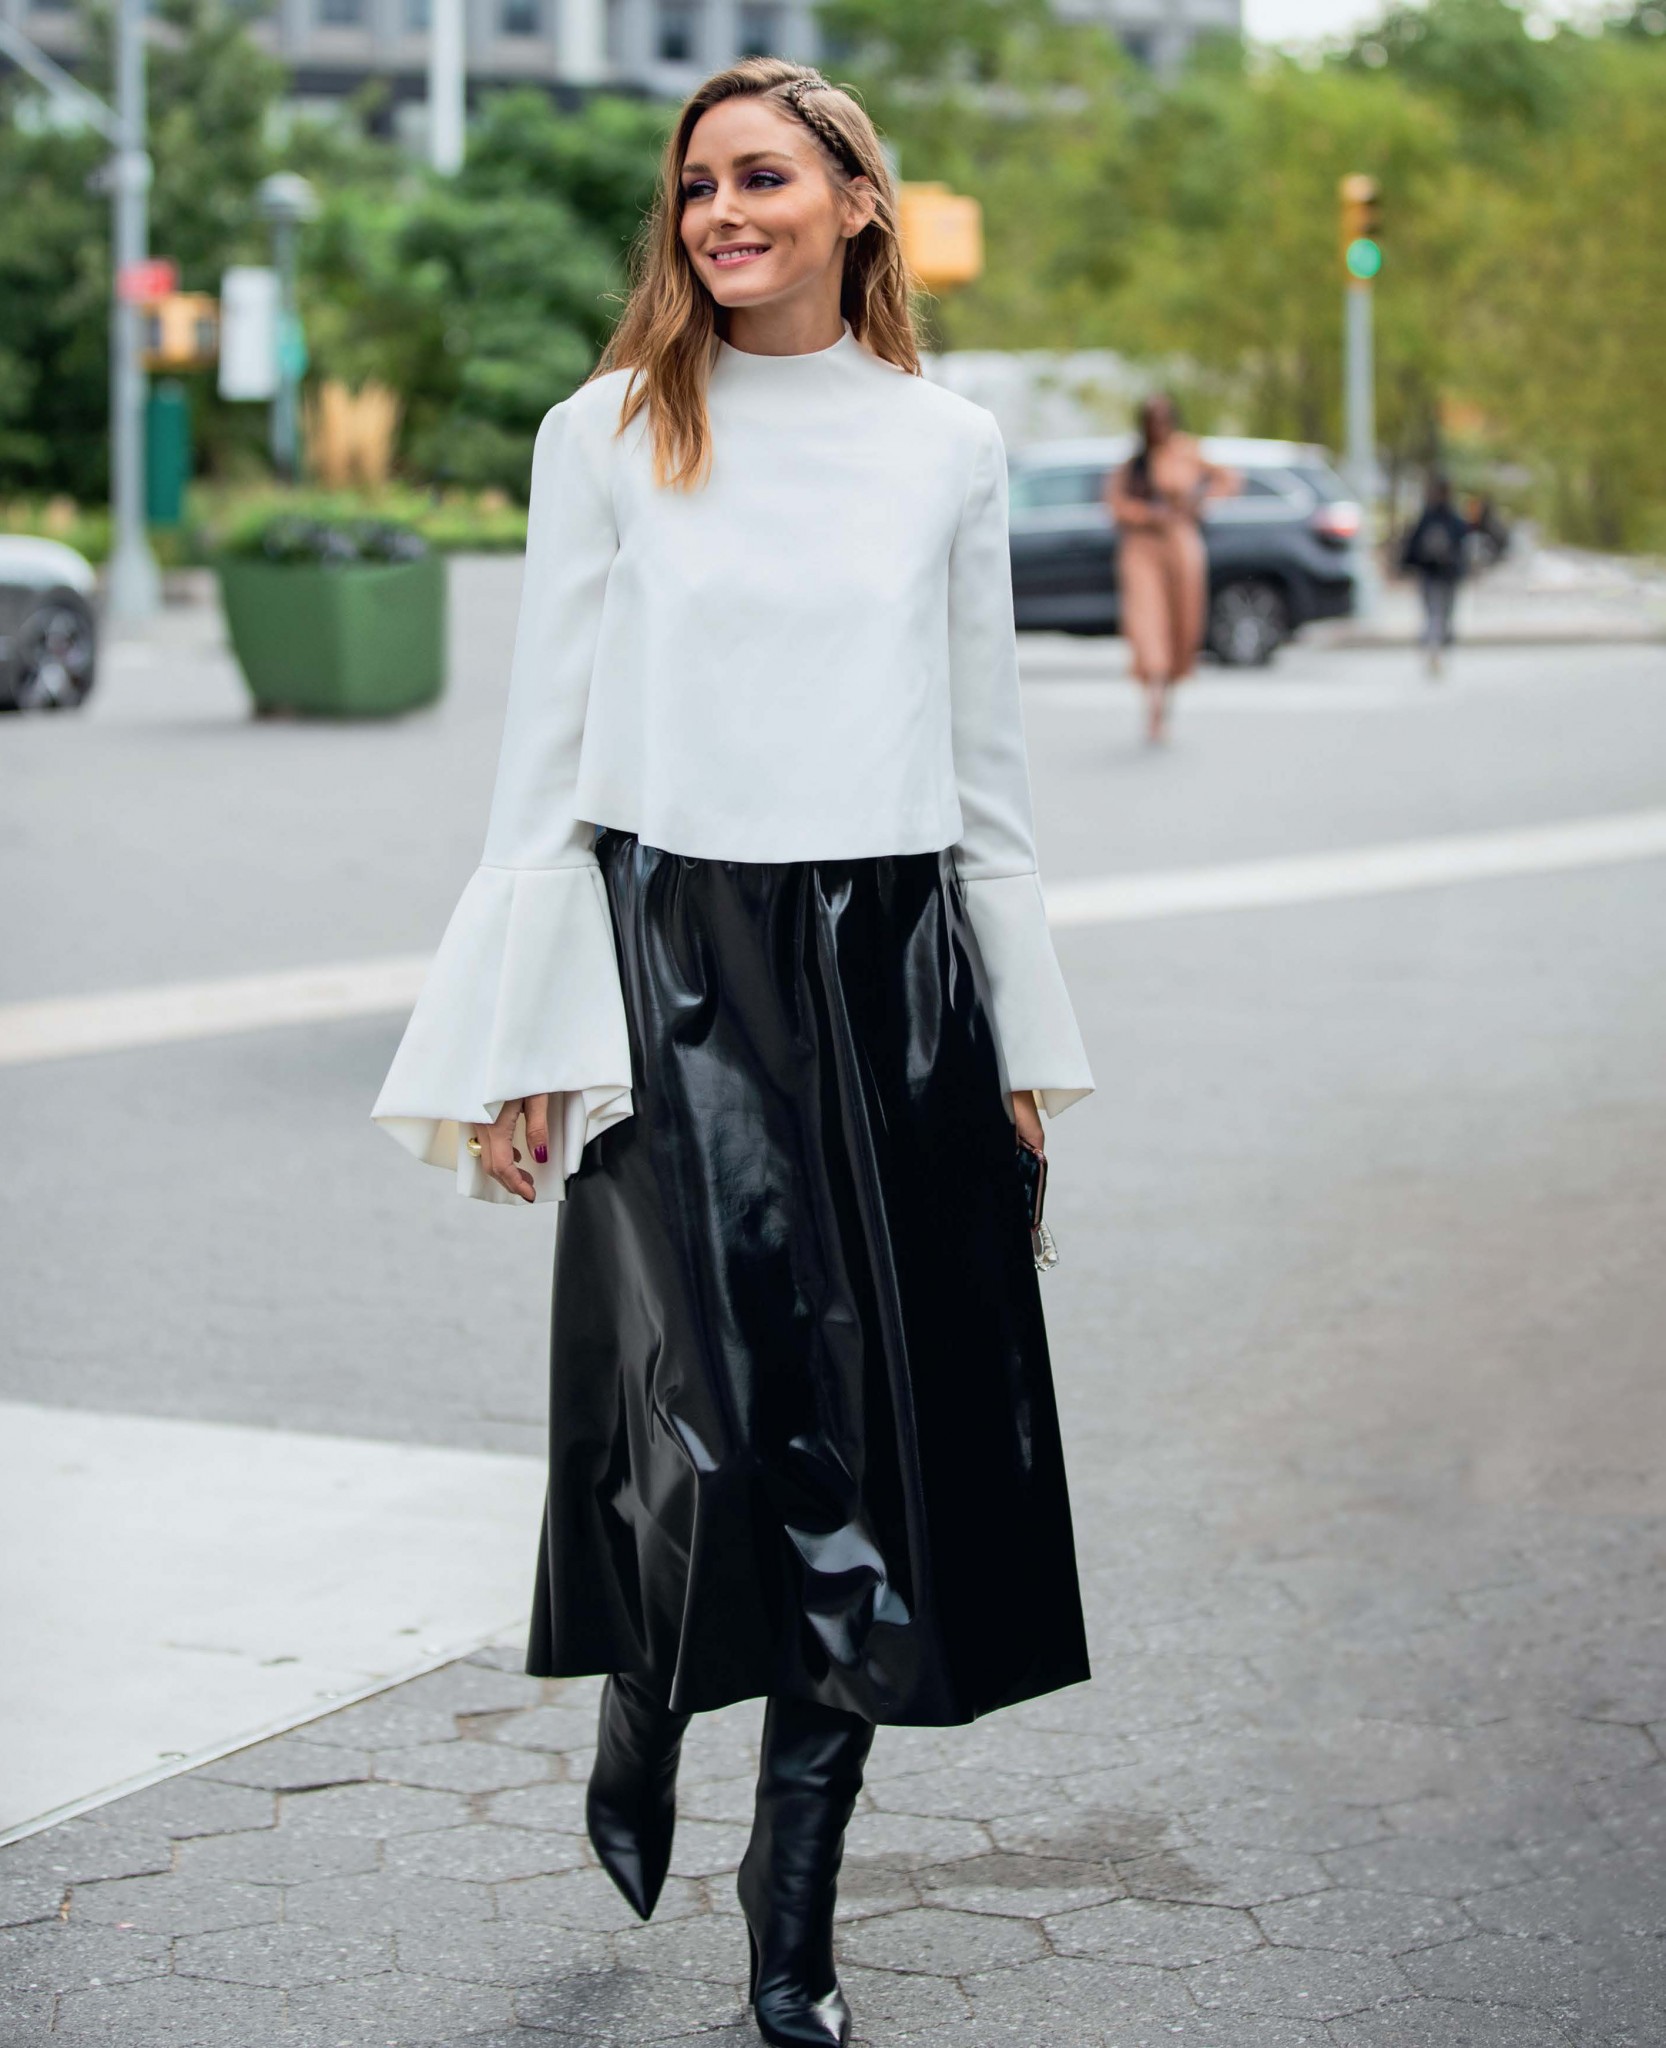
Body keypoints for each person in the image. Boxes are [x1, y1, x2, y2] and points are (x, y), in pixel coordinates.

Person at [370, 57, 1094, 2048]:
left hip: (890, 973)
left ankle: (793, 1921)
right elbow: (544, 757)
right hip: (670, 962)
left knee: (864, 1445)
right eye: (697, 185)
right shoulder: (605, 432)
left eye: (762, 178)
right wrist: (521, 1034)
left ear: (857, 200)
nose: (721, 215)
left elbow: (987, 771)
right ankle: (644, 1690)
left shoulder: (945, 446)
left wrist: (1019, 1042)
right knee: (702, 1418)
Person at [1105, 394, 1238, 743]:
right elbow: (1115, 505)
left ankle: (1166, 700)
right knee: (1147, 623)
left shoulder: (1187, 452)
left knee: (1181, 624)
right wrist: (1146, 514)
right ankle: (1152, 700)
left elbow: (1227, 478)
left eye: (1163, 418)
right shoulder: (1134, 462)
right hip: (1141, 547)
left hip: (1180, 545)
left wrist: (1203, 503)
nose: (1158, 426)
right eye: (1152, 419)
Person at [1401, 473, 1470, 678]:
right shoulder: (1443, 518)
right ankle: (1435, 650)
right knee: (1437, 614)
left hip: (1439, 574)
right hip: (1436, 574)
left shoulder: (1435, 518)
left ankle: (1436, 648)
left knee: (1438, 614)